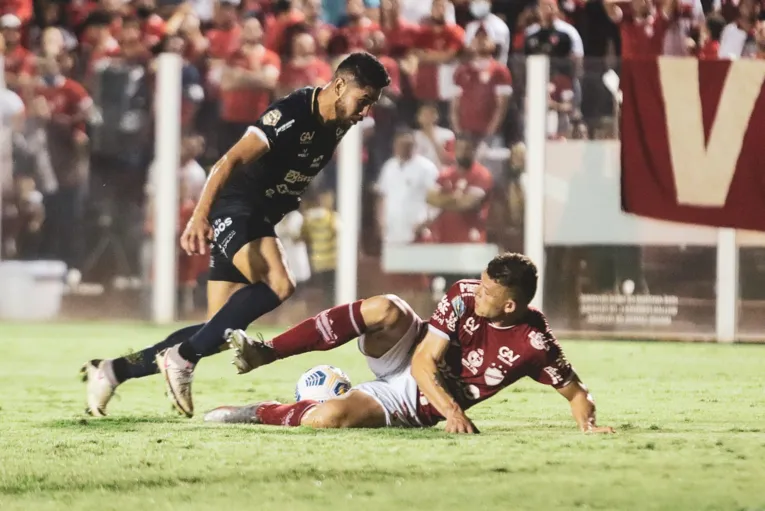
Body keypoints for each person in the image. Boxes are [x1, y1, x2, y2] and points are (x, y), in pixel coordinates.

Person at [81, 52, 391, 418]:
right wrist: (199, 216)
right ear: (340, 86)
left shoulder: (338, 121)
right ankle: (180, 359)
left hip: (260, 216)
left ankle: (114, 370)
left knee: (217, 330)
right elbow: (228, 161)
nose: (365, 112)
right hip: (237, 207)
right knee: (279, 283)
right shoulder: (293, 112)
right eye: (364, 100)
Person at [207, 253, 615, 434]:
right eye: (481, 282)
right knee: (387, 307)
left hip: (412, 403)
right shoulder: (462, 293)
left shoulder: (535, 342)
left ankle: (258, 412)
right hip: (416, 355)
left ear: (510, 305)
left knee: (327, 419)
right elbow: (423, 361)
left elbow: (577, 393)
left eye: (488, 292)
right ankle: (268, 351)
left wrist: (588, 425)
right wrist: (454, 413)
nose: (477, 293)